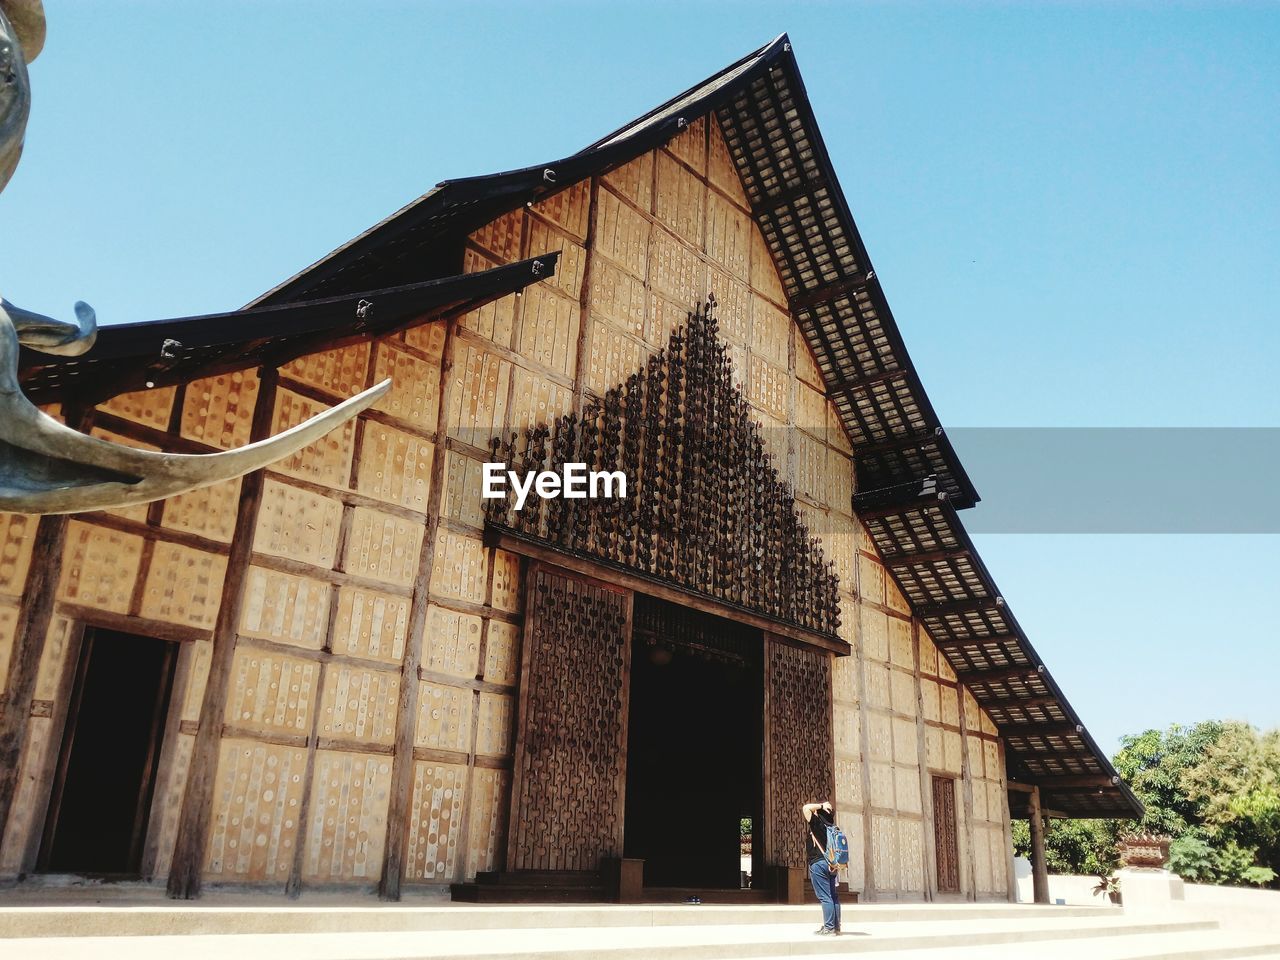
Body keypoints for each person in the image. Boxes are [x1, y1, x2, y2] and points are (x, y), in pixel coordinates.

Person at [801, 800, 841, 935]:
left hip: (819, 864)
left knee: (825, 897)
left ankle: (829, 928)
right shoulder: (834, 828)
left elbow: (806, 808)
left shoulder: (818, 824)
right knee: (833, 896)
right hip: (832, 865)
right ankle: (836, 926)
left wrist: (821, 806)